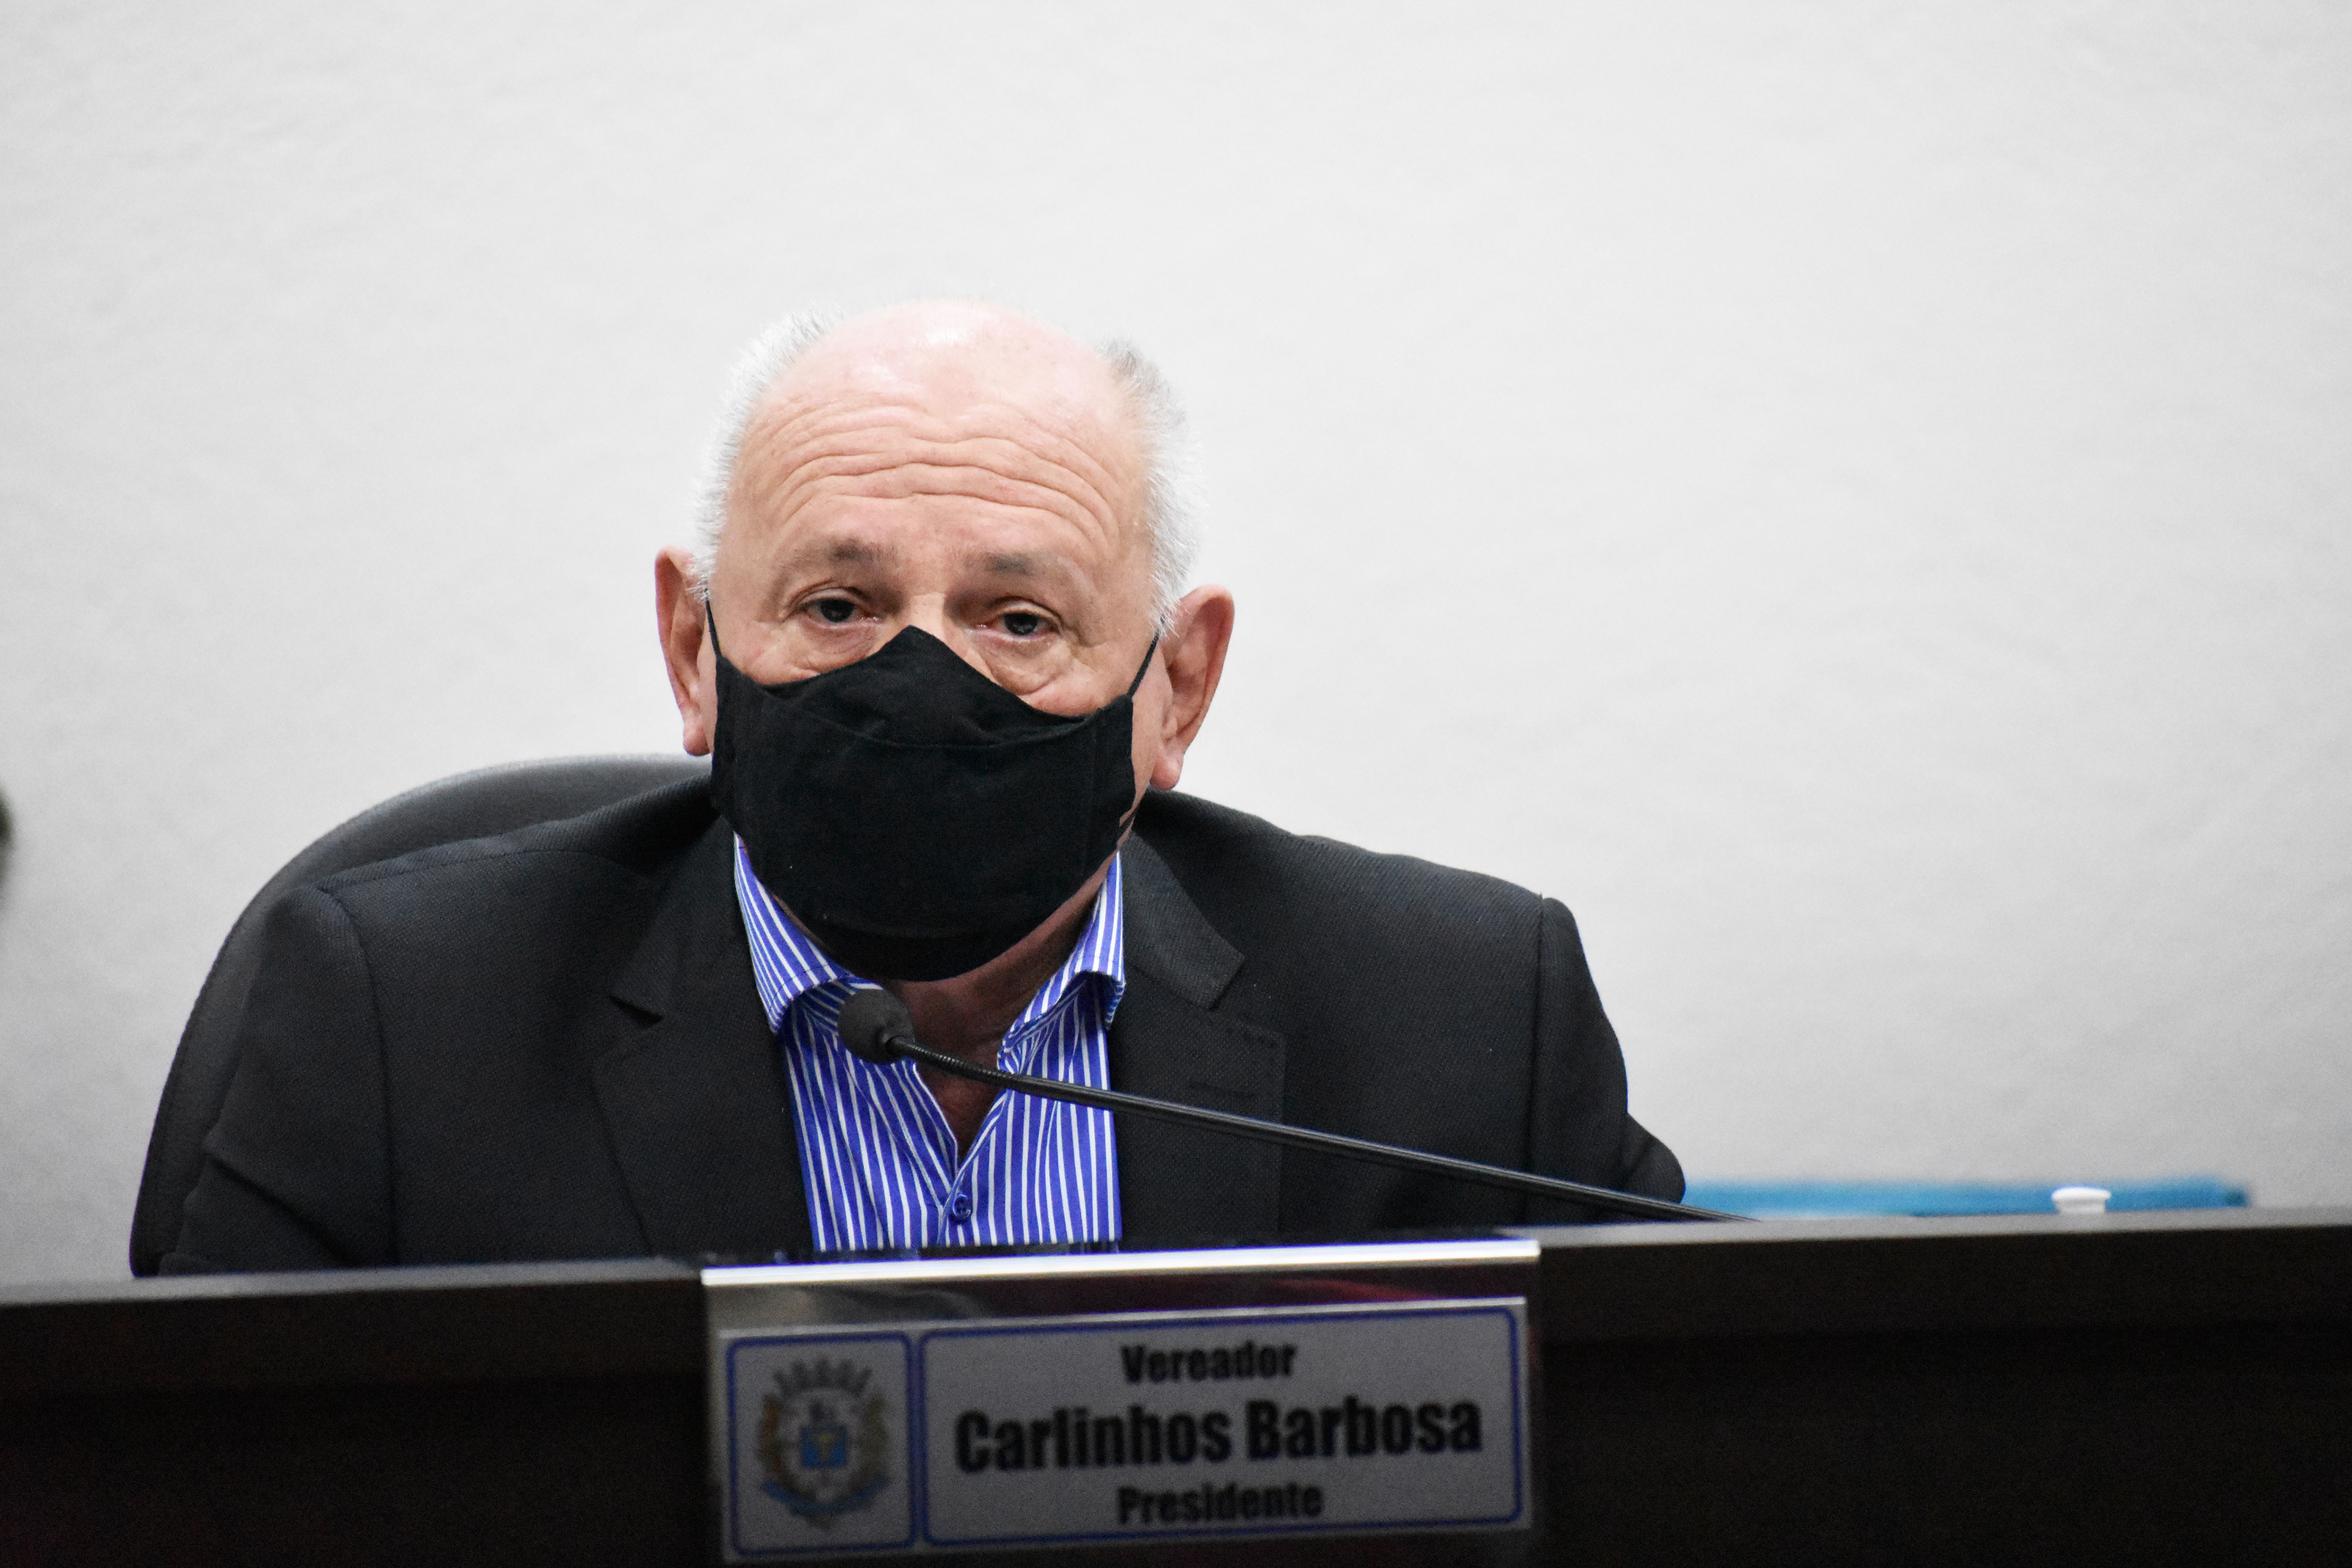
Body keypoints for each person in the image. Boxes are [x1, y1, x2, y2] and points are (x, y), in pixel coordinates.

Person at [163, 301, 1681, 1272]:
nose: (917, 681)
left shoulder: (1472, 1027)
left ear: (1178, 687)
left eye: (1019, 621)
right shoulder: (394, 1028)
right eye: (837, 607)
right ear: (695, 650)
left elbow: (1674, 1467)